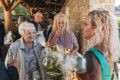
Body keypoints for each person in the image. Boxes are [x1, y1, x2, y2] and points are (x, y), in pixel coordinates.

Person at [79, 9, 120, 80]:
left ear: (96, 27)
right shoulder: (107, 52)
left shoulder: (91, 55)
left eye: (86, 24)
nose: (82, 27)